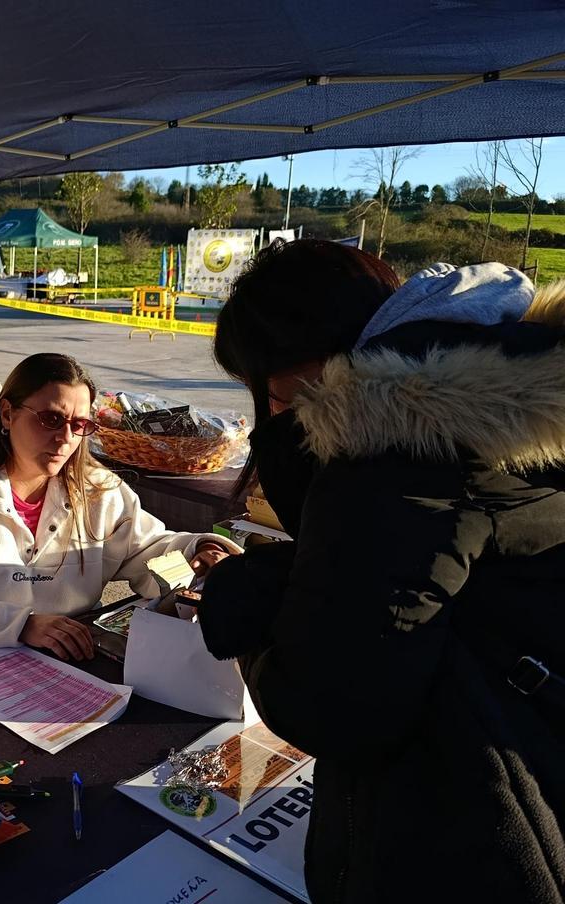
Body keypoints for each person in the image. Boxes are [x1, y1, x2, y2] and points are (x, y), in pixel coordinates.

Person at [197, 241, 565, 903]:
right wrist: (306, 574)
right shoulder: (512, 409)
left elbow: (335, 709)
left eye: (266, 382)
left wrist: (250, 617)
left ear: (304, 354)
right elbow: (447, 576)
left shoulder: (387, 452)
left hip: (456, 834)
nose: (273, 405)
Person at [0, 352, 239, 673]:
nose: (66, 438)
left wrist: (198, 552)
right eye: (50, 419)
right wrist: (21, 626)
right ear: (7, 414)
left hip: (63, 666)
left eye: (80, 425)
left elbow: (146, 549)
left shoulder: (96, 489)